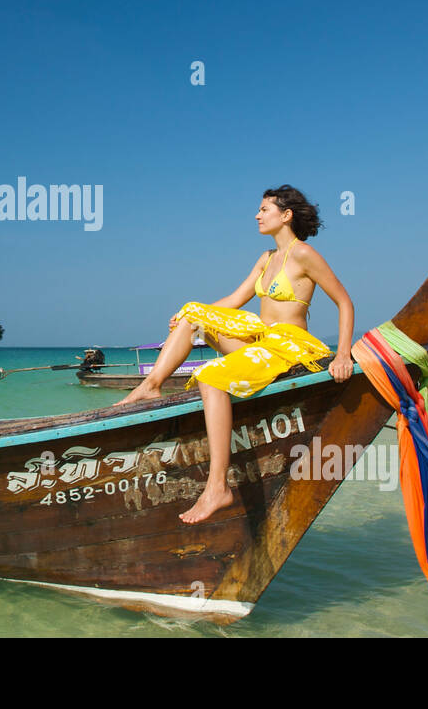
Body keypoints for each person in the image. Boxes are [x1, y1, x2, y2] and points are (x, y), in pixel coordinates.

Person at [114, 185, 354, 524]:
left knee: (211, 377)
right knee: (192, 312)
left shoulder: (304, 255)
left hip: (288, 344)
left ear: (286, 216)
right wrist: (189, 316)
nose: (257, 215)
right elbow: (234, 300)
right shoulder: (266, 258)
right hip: (259, 338)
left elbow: (344, 302)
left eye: (264, 209)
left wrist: (342, 354)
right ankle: (151, 385)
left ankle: (217, 487)